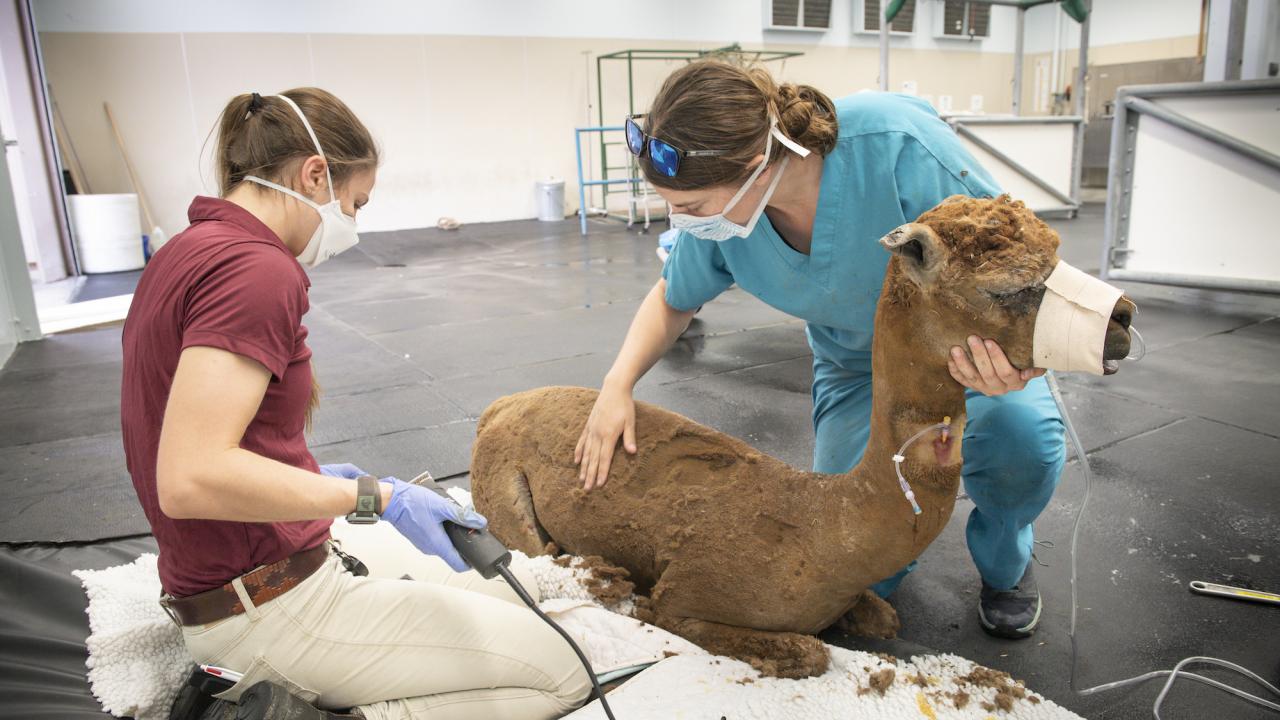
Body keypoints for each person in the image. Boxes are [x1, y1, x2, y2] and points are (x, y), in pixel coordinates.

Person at [121, 88, 590, 720]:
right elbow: (190, 478)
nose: (356, 223)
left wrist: (310, 480)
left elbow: (194, 426)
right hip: (265, 610)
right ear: (316, 175)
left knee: (521, 589)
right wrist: (374, 498)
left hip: (248, 567)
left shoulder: (193, 247)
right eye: (355, 203)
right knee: (561, 674)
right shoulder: (257, 272)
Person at [574, 61, 1065, 640]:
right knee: (846, 541)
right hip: (856, 368)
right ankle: (887, 562)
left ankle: (1006, 563)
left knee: (1021, 441)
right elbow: (672, 299)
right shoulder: (724, 223)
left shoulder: (896, 146)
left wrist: (1018, 362)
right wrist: (616, 385)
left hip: (963, 357)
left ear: (757, 169)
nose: (683, 223)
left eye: (696, 208)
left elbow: (1022, 259)